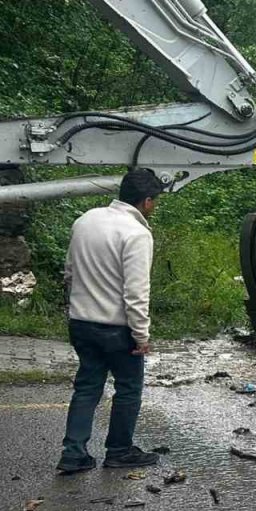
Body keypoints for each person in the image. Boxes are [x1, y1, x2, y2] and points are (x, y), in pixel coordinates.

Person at [58, 168, 167, 473]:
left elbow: (69, 273)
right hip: (117, 329)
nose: (154, 207)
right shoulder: (136, 234)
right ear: (146, 201)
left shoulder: (85, 220)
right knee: (128, 388)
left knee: (87, 387)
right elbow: (136, 292)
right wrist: (142, 336)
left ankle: (73, 453)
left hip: (80, 322)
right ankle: (119, 450)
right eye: (154, 201)